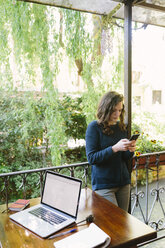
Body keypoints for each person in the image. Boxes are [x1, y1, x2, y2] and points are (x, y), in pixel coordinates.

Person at [85, 91, 136, 211]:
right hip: (104, 186)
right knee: (113, 224)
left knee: (123, 223)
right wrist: (114, 148)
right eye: (114, 110)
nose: (117, 114)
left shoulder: (121, 127)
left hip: (123, 182)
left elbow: (123, 157)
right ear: (106, 108)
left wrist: (130, 149)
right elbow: (92, 158)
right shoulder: (94, 127)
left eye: (120, 110)